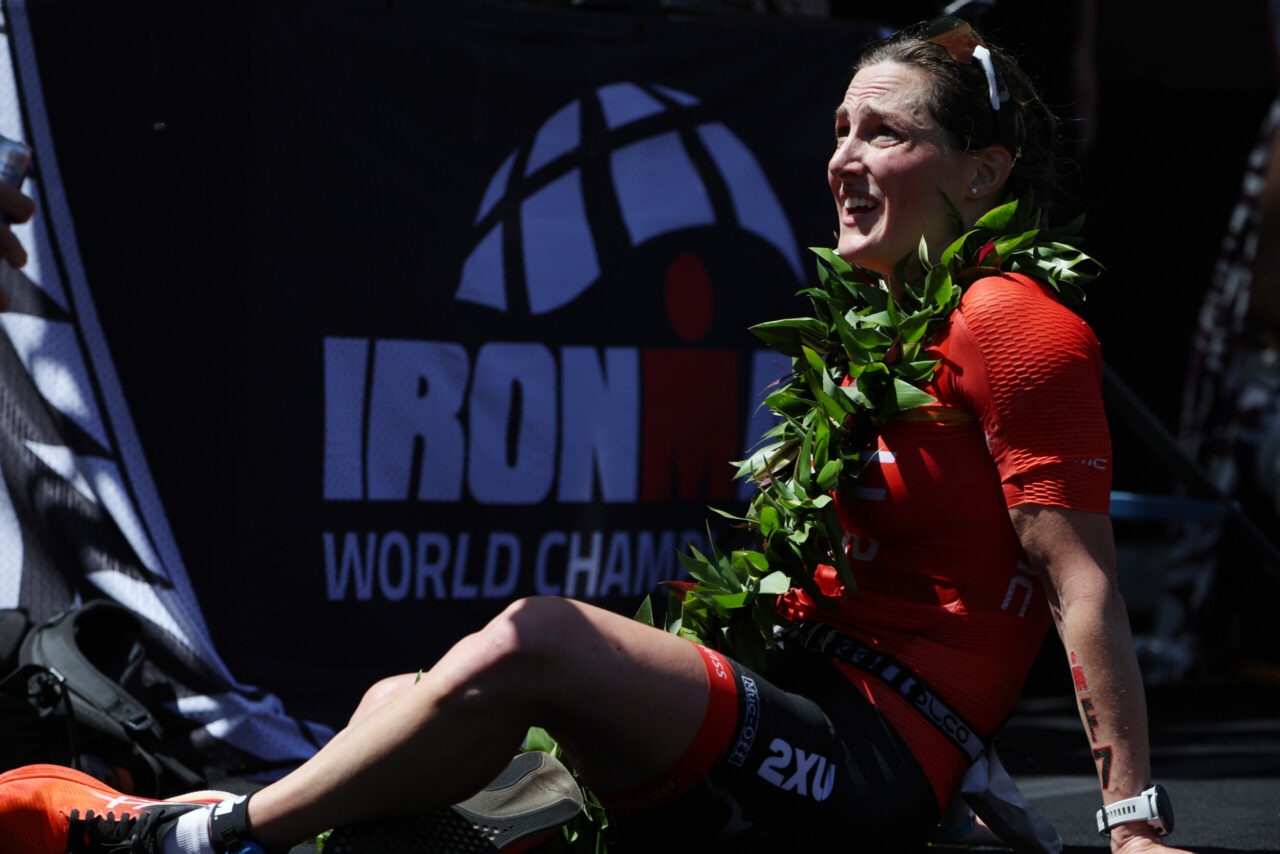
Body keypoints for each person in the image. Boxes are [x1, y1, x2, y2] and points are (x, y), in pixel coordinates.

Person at [1, 17, 1191, 854]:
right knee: (390, 700)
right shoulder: (864, 324)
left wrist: (1127, 820)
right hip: (798, 709)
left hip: (867, 754)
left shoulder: (1012, 320)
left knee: (540, 635)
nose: (840, 156)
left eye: (883, 133)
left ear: (981, 173)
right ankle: (229, 825)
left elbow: (1074, 581)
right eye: (837, 126)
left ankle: (197, 835)